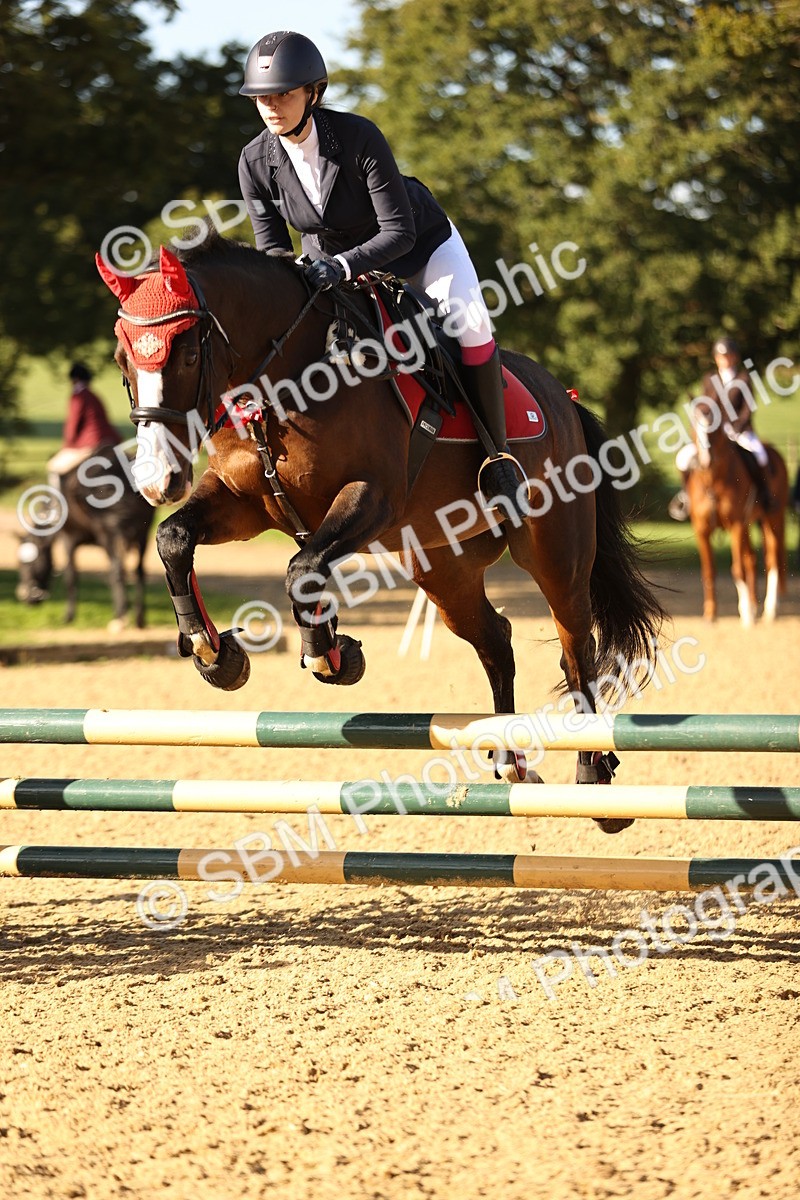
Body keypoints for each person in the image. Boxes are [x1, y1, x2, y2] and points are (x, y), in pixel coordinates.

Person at [237, 30, 523, 512]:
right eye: (261, 97)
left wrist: (342, 267)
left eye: (283, 94)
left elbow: (399, 232)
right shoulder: (254, 161)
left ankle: (498, 459)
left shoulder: (357, 137)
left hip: (418, 251)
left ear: (314, 92)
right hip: (330, 267)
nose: (271, 106)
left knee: (470, 326)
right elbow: (271, 252)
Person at [669, 336, 772, 520]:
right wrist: (700, 416)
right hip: (713, 433)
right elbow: (706, 405)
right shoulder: (710, 379)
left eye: (729, 356)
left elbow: (748, 409)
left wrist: (737, 427)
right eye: (722, 356)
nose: (725, 360)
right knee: (682, 458)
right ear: (716, 358)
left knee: (760, 454)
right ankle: (686, 496)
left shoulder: (744, 378)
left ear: (735, 357)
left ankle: (763, 495)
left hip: (739, 431)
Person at [47, 362, 121, 485]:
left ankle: (58, 502)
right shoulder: (94, 396)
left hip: (91, 444)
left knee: (54, 467)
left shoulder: (78, 397)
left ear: (74, 379)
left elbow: (73, 425)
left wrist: (66, 446)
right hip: (110, 441)